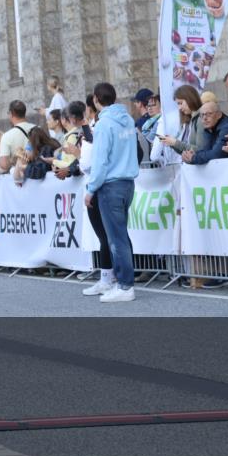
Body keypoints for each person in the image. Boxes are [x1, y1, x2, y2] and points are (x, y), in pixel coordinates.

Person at [82, 82, 139, 303]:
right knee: (121, 235)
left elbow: (101, 160)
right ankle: (123, 281)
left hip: (111, 184)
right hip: (127, 182)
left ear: (96, 99)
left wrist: (91, 188)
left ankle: (125, 285)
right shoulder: (127, 119)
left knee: (116, 238)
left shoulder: (104, 125)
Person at [157, 85, 205, 157]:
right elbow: (186, 150)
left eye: (181, 103)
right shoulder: (189, 121)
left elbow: (200, 150)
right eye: (178, 104)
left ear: (190, 99)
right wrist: (171, 143)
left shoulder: (201, 119)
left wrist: (175, 143)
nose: (179, 108)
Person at [0, 100, 36, 171]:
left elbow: (4, 165)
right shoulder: (38, 129)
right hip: (38, 173)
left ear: (11, 114)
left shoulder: (6, 136)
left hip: (18, 175)